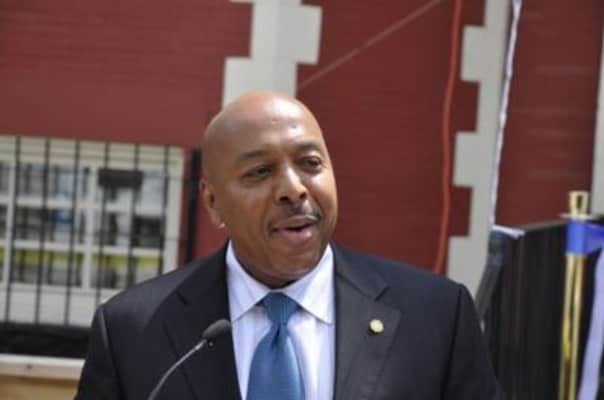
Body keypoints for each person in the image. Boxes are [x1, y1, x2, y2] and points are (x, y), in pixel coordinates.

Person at [75, 91, 502, 399]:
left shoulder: (435, 317)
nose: (294, 189)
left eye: (310, 163)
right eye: (260, 172)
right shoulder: (133, 331)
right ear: (212, 201)